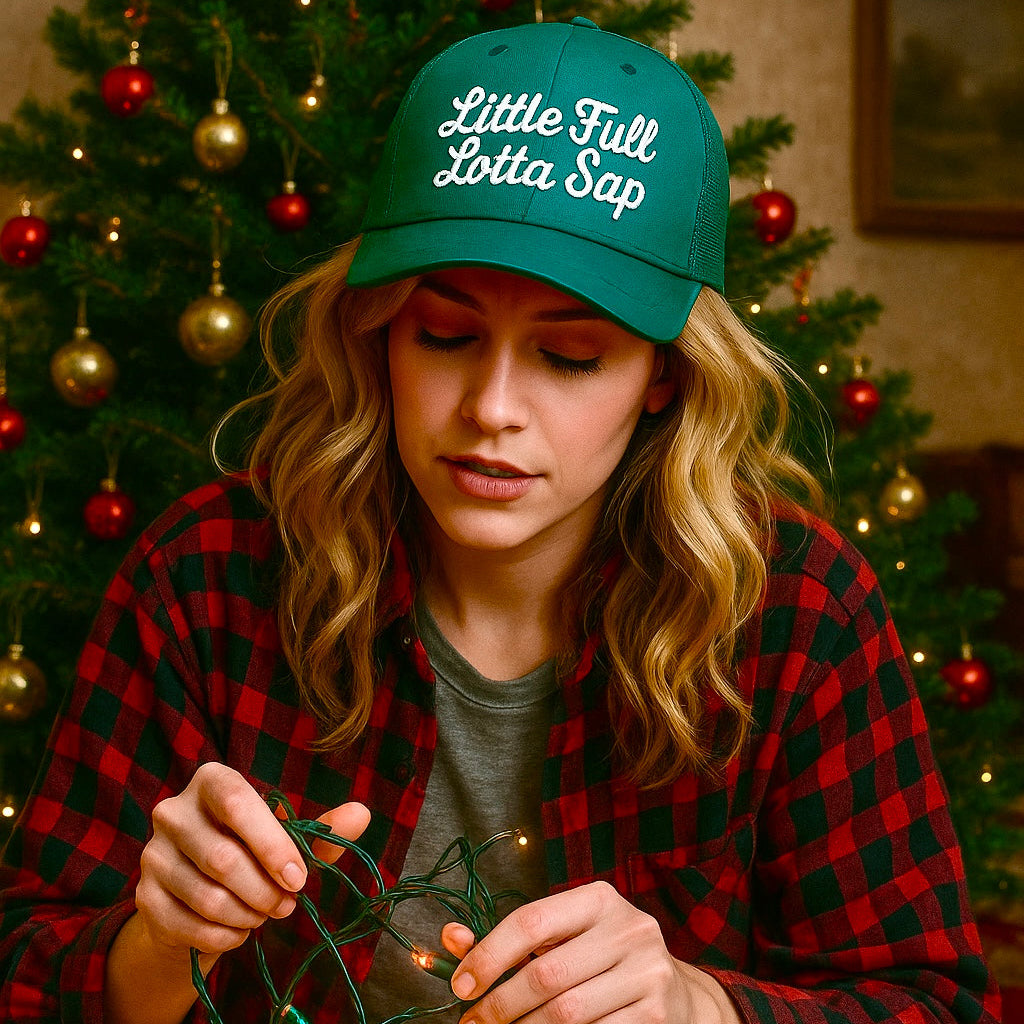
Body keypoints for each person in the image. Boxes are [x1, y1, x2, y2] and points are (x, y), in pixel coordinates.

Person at [0, 16, 1002, 1024]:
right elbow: (26, 972)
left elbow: (931, 1003)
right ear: (379, 331)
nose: (491, 408)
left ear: (664, 375)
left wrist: (702, 1008)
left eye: (570, 357)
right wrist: (159, 943)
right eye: (445, 335)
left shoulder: (794, 608)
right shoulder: (210, 569)